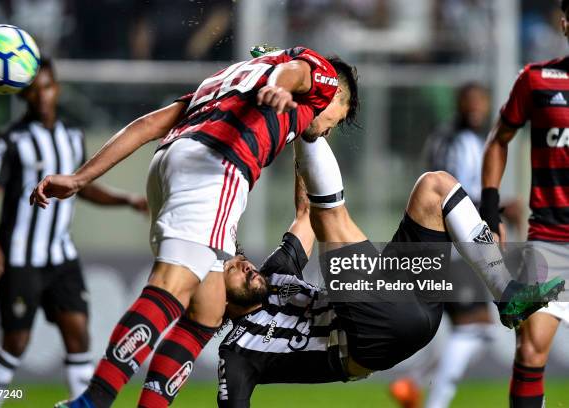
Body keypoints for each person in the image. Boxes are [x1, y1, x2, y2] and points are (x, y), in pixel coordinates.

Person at [32, 47, 360, 408]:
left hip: (168, 162)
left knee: (208, 310)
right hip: (216, 167)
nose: (328, 129)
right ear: (338, 96)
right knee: (172, 286)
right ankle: (92, 401)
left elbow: (149, 125)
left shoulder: (227, 80)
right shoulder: (320, 79)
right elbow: (299, 71)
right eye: (336, 120)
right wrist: (282, 86)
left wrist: (81, 178)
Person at [214, 132, 565, 407]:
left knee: (434, 188)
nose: (244, 263)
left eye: (239, 258)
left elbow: (305, 212)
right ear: (215, 294)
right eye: (232, 267)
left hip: (411, 309)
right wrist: (305, 125)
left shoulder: (274, 272)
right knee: (330, 219)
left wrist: (299, 134)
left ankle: (505, 294)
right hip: (367, 337)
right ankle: (308, 127)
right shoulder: (236, 353)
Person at [0, 57, 147, 407]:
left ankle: (81, 404)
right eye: (35, 89)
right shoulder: (9, 140)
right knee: (15, 342)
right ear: (24, 95)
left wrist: (128, 200)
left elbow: (82, 187)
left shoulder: (72, 136)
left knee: (78, 334)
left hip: (61, 256)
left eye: (48, 86)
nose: (43, 96)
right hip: (21, 256)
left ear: (57, 88)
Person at [390, 82, 520, 408]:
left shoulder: (462, 139)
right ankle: (431, 398)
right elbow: (452, 199)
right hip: (452, 248)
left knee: (477, 328)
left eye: (481, 101)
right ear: (459, 103)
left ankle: (413, 383)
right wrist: (500, 211)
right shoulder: (455, 141)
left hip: (450, 247)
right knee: (475, 328)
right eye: (470, 101)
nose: (477, 107)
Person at [480, 1, 569, 406]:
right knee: (530, 351)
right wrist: (491, 208)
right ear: (565, 24)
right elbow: (498, 141)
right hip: (548, 239)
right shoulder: (537, 80)